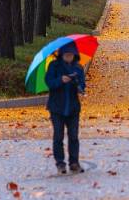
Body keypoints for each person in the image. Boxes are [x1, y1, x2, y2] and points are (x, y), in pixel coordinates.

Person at [45, 45, 86, 174]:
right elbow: (49, 82)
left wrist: (77, 84)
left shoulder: (78, 68)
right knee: (58, 136)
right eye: (67, 55)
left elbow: (82, 85)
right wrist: (60, 80)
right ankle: (60, 163)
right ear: (62, 55)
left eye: (71, 55)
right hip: (57, 107)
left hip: (73, 108)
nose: (69, 57)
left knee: (73, 136)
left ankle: (74, 162)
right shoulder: (54, 66)